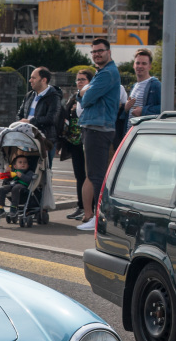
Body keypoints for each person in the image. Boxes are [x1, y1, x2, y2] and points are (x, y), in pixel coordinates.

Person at [76, 39, 119, 231]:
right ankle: (96, 217)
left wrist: (85, 91)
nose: (96, 54)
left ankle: (98, 218)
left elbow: (86, 99)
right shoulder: (103, 73)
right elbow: (84, 95)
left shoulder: (107, 73)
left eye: (100, 51)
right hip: (95, 127)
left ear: (109, 52)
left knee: (97, 175)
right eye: (93, 52)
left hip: (98, 128)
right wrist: (84, 91)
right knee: (95, 174)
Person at [65, 68, 92, 221]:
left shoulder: (89, 96)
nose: (79, 82)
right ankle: (80, 205)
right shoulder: (74, 97)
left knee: (88, 176)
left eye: (83, 79)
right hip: (74, 141)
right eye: (78, 80)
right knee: (79, 175)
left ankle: (88, 207)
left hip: (86, 139)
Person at [18, 67, 61, 141]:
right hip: (26, 137)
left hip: (45, 140)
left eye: (33, 78)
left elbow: (51, 119)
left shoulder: (54, 97)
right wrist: (20, 123)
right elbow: (20, 114)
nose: (30, 80)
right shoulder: (29, 95)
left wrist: (30, 122)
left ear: (44, 80)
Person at [128, 48, 162, 118]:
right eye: (137, 63)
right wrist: (125, 108)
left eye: (144, 64)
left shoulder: (155, 85)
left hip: (144, 128)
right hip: (132, 129)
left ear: (150, 66)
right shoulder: (134, 86)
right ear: (133, 65)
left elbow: (165, 108)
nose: (140, 66)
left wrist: (143, 111)